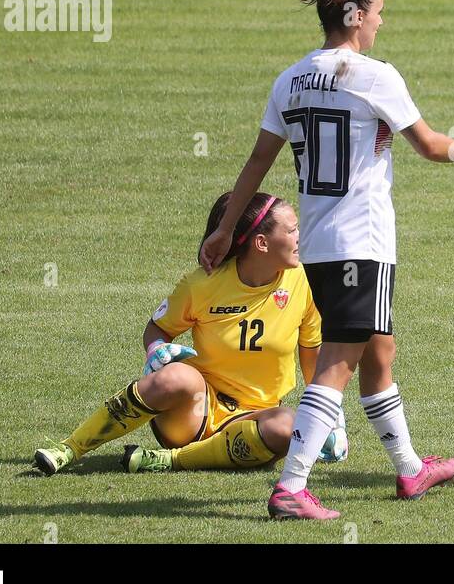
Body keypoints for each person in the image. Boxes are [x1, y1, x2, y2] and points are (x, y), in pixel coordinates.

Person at [199, 0, 454, 520]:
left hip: (317, 245)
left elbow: (258, 163)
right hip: (362, 240)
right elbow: (430, 146)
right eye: (378, 11)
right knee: (339, 361)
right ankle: (292, 487)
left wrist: (226, 228)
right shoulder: (374, 77)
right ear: (354, 16)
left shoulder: (290, 80)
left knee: (378, 353)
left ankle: (410, 469)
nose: (382, 21)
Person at [31, 192, 345, 475]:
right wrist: (156, 349)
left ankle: (169, 460)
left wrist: (330, 417)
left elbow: (312, 354)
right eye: (292, 230)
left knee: (288, 424)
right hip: (194, 411)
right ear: (262, 243)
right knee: (176, 376)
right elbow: (158, 328)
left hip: (254, 422)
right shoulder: (202, 285)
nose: (300, 237)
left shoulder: (304, 282)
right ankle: (69, 449)